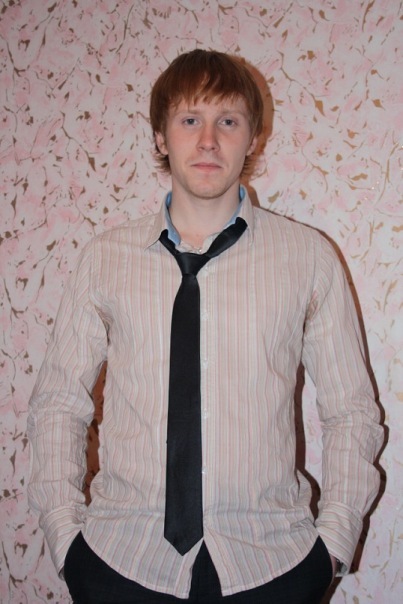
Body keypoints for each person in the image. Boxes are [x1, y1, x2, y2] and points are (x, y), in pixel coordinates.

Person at [28, 49, 383, 604]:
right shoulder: (103, 260)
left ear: (254, 138)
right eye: (190, 119)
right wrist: (66, 540)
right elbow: (57, 404)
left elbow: (352, 411)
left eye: (229, 121)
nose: (209, 140)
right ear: (161, 137)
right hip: (120, 563)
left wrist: (333, 547)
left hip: (273, 566)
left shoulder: (308, 258)